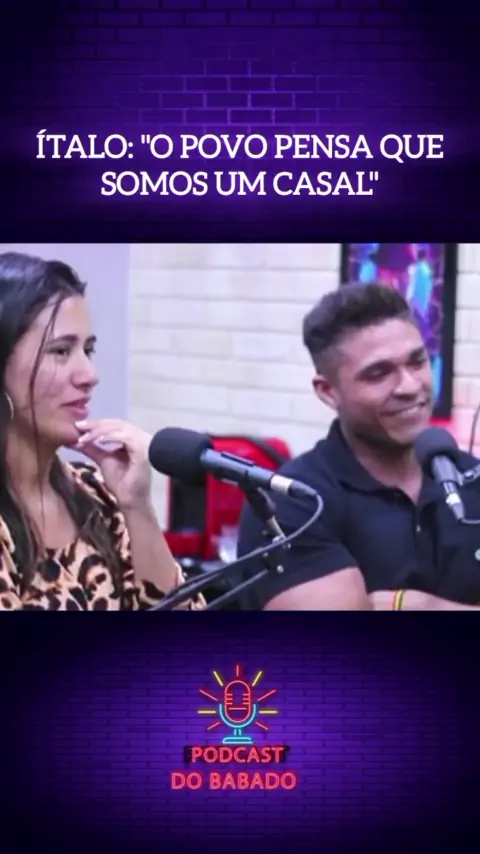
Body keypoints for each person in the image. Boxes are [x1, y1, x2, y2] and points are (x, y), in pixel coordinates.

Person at [237, 283, 480, 611]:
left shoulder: (470, 477)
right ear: (328, 391)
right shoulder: (292, 503)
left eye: (417, 362)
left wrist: (409, 605)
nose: (410, 386)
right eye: (378, 374)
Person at [0, 251, 205, 611]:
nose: (90, 375)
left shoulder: (94, 493)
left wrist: (136, 505)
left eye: (88, 350)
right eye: (61, 351)